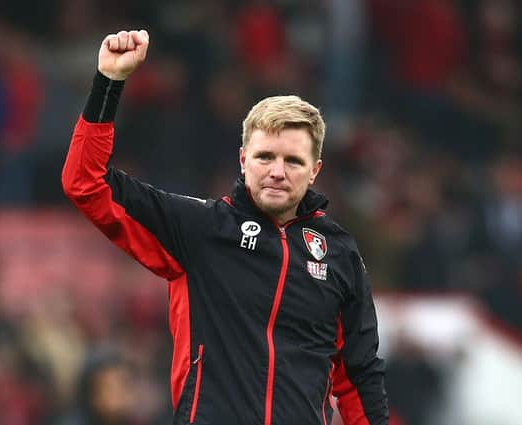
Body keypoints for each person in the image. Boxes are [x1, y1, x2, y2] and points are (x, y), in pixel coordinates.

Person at [62, 29, 388, 425]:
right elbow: (86, 182)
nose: (277, 172)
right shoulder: (200, 228)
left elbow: (358, 377)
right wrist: (109, 83)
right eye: (265, 156)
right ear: (242, 159)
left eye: (294, 161)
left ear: (315, 170)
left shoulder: (338, 253)